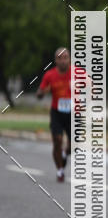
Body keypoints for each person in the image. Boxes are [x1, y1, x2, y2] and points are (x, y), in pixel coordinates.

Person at [36, 47, 71, 183]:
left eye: (65, 58)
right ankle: (60, 170)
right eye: (60, 58)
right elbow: (39, 94)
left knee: (73, 146)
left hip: (74, 113)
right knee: (57, 140)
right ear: (55, 60)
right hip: (57, 112)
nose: (63, 61)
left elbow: (91, 86)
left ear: (69, 59)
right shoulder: (49, 75)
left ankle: (65, 153)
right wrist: (43, 92)